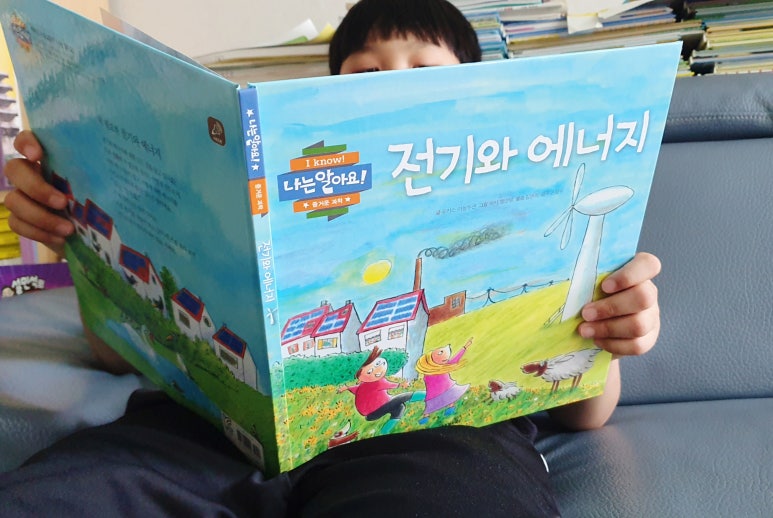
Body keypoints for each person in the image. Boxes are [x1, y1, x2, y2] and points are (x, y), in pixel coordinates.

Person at [0, 0, 661, 516]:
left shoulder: (522, 205)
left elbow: (585, 412)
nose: (391, 81)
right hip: (198, 428)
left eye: (424, 69)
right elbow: (116, 353)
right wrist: (75, 235)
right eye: (366, 71)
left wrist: (610, 330)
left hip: (435, 440)